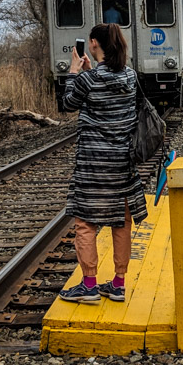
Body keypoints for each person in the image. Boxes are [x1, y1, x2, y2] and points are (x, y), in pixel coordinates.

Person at [58, 23, 147, 303]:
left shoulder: (88, 79)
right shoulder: (130, 76)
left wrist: (74, 72)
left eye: (90, 41)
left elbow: (68, 104)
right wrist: (89, 72)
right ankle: (118, 284)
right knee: (121, 223)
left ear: (94, 44)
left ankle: (89, 286)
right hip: (122, 163)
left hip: (92, 164)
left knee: (85, 223)